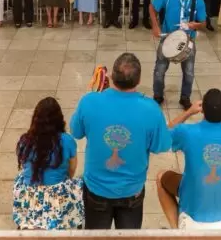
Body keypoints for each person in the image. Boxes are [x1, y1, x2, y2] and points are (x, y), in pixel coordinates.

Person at [70, 53, 171, 229]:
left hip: (97, 189)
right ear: (138, 81)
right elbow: (160, 146)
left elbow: (76, 132)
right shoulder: (151, 110)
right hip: (131, 191)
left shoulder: (89, 101)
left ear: (111, 76)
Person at [156, 89, 221, 230]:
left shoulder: (187, 132)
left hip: (194, 209)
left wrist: (188, 112)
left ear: (202, 110)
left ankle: (176, 230)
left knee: (161, 177)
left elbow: (163, 135)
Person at [13, 97, 83, 230]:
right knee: (79, 184)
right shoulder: (67, 140)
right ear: (60, 119)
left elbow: (24, 164)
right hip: (57, 196)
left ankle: (28, 220)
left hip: (30, 193)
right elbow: (72, 169)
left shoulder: (25, 140)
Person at [150, 0, 206, 110]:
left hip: (188, 39)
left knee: (189, 72)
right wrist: (155, 26)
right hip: (168, 37)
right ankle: (158, 95)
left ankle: (185, 97)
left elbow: (203, 23)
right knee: (159, 70)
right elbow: (152, 7)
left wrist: (197, 25)